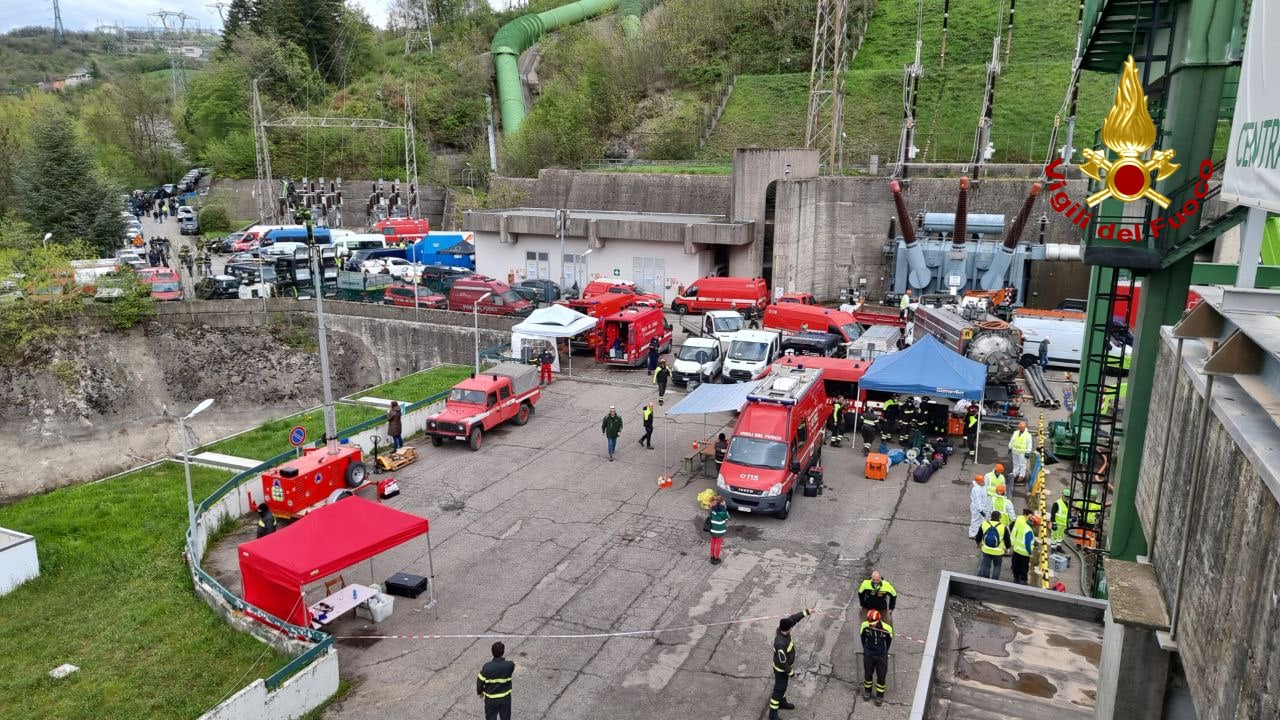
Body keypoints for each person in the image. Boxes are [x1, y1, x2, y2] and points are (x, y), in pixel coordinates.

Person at [768, 609, 814, 719]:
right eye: (791, 627)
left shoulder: (782, 628)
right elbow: (783, 663)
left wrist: (807, 612)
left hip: (784, 668)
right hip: (781, 670)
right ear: (788, 629)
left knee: (782, 687)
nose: (792, 626)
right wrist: (792, 674)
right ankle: (773, 714)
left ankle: (782, 703)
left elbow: (793, 618)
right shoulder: (780, 644)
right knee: (778, 690)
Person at [860, 609, 894, 706]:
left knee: (881, 676)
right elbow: (863, 639)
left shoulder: (887, 628)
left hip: (881, 655)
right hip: (869, 654)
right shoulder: (864, 626)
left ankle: (879, 696)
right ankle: (867, 691)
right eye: (871, 623)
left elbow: (888, 642)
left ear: (879, 620)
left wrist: (883, 652)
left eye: (874, 623)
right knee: (868, 674)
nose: (872, 625)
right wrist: (866, 651)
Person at [476, 641, 515, 720]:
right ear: (503, 652)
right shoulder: (510, 665)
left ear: (492, 652)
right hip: (505, 698)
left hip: (491, 700)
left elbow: (479, 682)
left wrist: (480, 692)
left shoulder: (487, 667)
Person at [975, 511, 1011, 580]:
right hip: (998, 552)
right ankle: (994, 581)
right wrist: (1007, 549)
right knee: (997, 566)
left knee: (986, 566)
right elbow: (1007, 540)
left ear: (991, 516)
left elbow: (978, 536)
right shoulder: (1003, 527)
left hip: (986, 550)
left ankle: (986, 580)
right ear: (999, 518)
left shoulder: (984, 524)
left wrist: (978, 544)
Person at [1010, 509, 1037, 585]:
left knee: (1016, 565)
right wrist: (1030, 552)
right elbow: (1028, 543)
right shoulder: (1028, 530)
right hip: (1024, 552)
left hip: (1016, 548)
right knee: (1024, 567)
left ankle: (1016, 579)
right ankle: (1023, 580)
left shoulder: (1022, 523)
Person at [1009, 421, 1033, 488]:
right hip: (1015, 451)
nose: (1021, 428)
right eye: (1020, 427)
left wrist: (1028, 452)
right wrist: (1010, 447)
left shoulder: (1028, 435)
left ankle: (1021, 475)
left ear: (1025, 427)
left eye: (1022, 427)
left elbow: (1029, 444)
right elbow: (1012, 440)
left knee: (1022, 464)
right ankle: (1015, 473)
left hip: (1022, 452)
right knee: (1015, 463)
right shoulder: (1015, 433)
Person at [708, 496, 729, 564]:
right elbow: (727, 518)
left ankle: (712, 557)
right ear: (721, 502)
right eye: (723, 501)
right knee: (718, 544)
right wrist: (725, 507)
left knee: (713, 542)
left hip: (712, 529)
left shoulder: (712, 509)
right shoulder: (723, 511)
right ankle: (716, 558)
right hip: (720, 530)